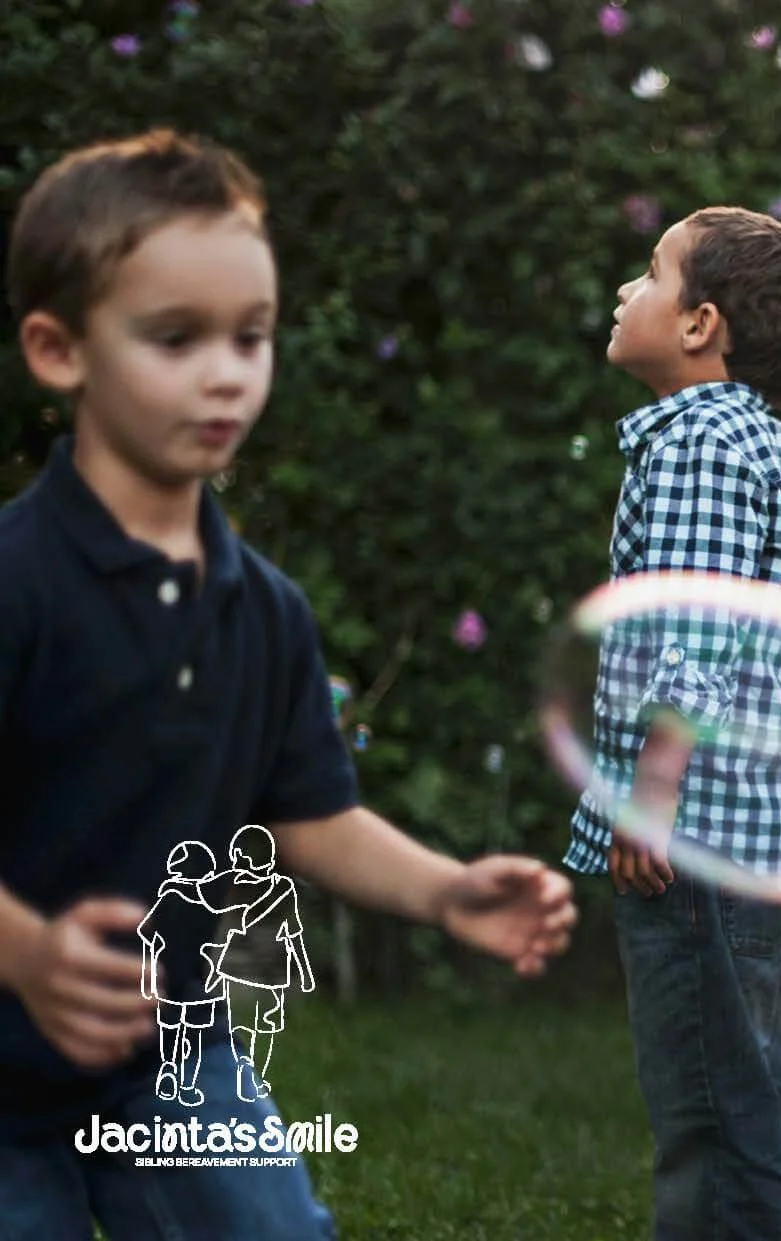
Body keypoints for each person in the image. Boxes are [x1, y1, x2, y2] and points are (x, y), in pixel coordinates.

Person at [0, 128, 578, 1240]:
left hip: (169, 1050)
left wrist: (448, 890)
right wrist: (27, 951)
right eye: (176, 337)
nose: (226, 370)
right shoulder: (20, 584)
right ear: (58, 348)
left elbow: (309, 810)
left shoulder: (261, 608)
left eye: (250, 336)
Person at [564, 205, 781, 1240]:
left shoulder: (699, 441)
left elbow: (693, 628)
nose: (621, 293)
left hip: (699, 833)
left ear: (698, 323)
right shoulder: (762, 446)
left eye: (647, 274)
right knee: (733, 1082)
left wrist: (653, 793)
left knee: (707, 1106)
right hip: (746, 836)